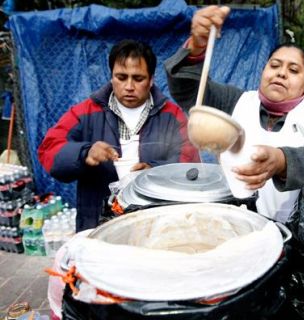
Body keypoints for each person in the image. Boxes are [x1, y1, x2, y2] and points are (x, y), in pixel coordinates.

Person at [164, 6, 304, 223]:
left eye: (293, 70)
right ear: (263, 71)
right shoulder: (235, 101)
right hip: (230, 218)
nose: (281, 73)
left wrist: (281, 160)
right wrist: (196, 46)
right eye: (274, 65)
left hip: (290, 229)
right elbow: (188, 90)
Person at [38, 39, 200, 232]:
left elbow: (190, 166)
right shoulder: (85, 112)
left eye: (138, 78)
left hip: (157, 222)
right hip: (99, 222)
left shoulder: (171, 115)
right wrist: (85, 153)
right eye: (121, 77)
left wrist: (154, 172)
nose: (129, 86)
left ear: (151, 79)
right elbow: (49, 150)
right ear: (111, 77)